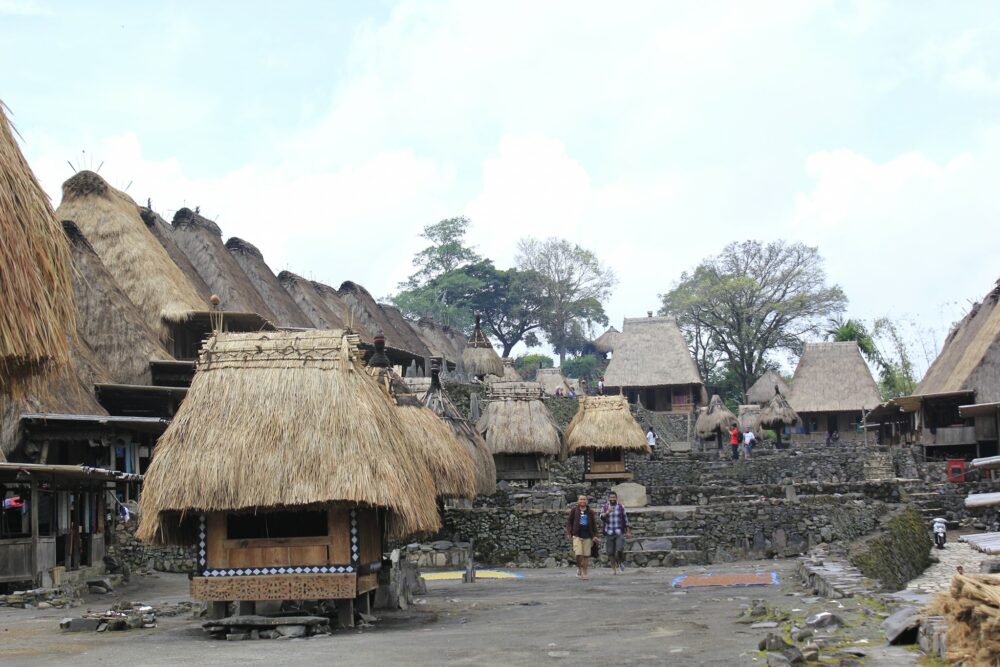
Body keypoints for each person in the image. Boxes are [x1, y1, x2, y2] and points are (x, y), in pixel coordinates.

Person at [566, 494, 597, 579]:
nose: (583, 501)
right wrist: (569, 532)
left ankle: (585, 572)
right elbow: (569, 522)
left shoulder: (590, 511)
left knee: (586, 555)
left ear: (586, 501)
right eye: (581, 499)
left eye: (584, 499)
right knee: (578, 554)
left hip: (587, 535)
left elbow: (593, 524)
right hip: (577, 535)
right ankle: (579, 567)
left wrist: (595, 535)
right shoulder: (574, 510)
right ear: (578, 501)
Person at [600, 491, 631, 574]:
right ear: (608, 498)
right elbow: (601, 518)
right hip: (609, 532)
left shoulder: (621, 507)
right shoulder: (605, 507)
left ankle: (620, 562)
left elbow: (625, 519)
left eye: (614, 497)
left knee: (619, 549)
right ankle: (613, 569)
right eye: (611, 497)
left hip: (619, 531)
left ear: (616, 498)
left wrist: (628, 531)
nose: (612, 499)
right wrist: (607, 512)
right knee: (610, 552)